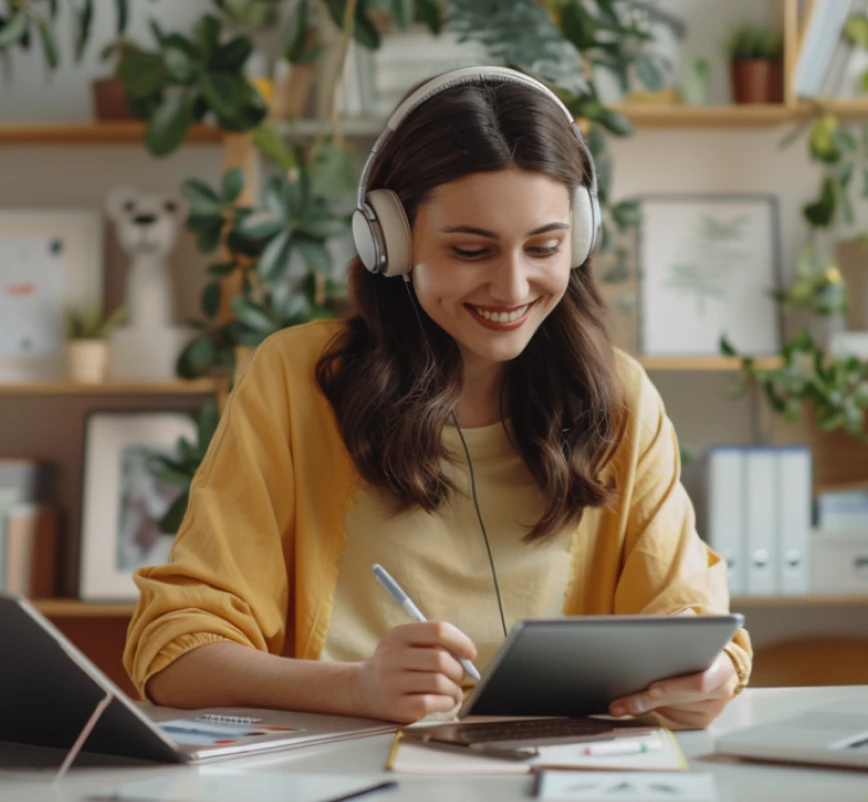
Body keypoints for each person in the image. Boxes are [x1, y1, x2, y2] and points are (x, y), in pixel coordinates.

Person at [124, 66, 751, 728]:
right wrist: (359, 688)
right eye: (471, 250)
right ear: (389, 240)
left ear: (582, 237)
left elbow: (692, 620)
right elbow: (175, 657)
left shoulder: (619, 398)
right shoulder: (296, 379)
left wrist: (707, 675)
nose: (512, 288)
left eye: (544, 247)